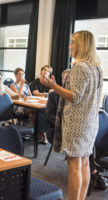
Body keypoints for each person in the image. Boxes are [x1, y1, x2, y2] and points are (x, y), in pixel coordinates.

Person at [40, 30, 103, 200]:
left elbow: (74, 96)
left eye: (72, 42)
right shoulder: (96, 68)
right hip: (90, 123)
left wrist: (52, 85)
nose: (69, 46)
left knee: (74, 165)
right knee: (84, 163)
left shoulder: (79, 67)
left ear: (80, 45)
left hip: (76, 123)